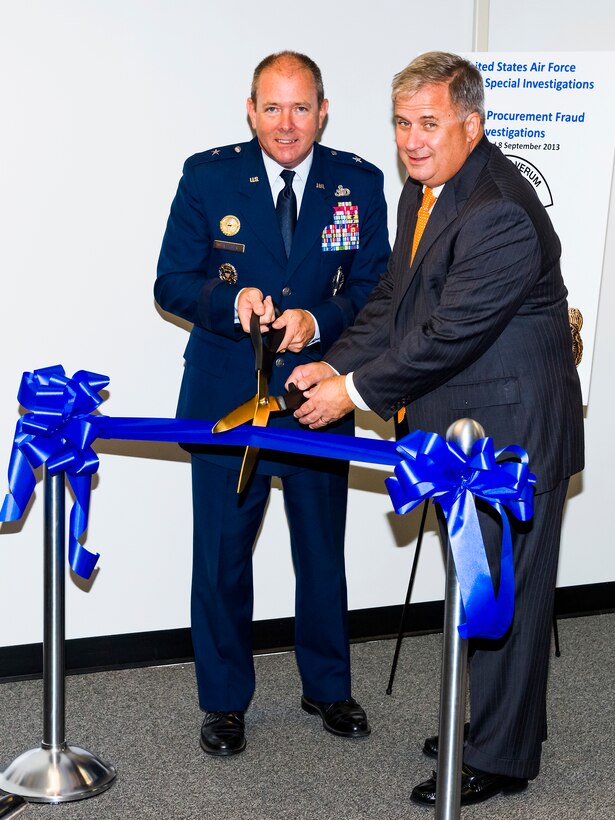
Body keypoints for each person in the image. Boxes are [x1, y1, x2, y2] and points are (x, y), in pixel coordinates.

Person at [288, 51, 584, 805]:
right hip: (466, 426)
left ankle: (499, 758)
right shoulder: (424, 192)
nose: (411, 140)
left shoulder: (498, 214)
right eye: (401, 123)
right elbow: (396, 297)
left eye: (429, 122)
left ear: (472, 124)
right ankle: (496, 725)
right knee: (480, 585)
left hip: (512, 433)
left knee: (501, 597)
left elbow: (446, 334)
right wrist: (331, 362)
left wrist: (350, 392)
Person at [154, 51, 390, 756]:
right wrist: (231, 302)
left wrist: (317, 322)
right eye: (271, 107)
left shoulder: (360, 182)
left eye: (300, 107)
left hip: (319, 395)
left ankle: (328, 686)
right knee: (222, 557)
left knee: (322, 554)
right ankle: (224, 702)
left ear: (323, 111)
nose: (286, 124)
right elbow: (171, 281)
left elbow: (379, 286)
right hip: (228, 397)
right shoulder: (208, 176)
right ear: (250, 110)